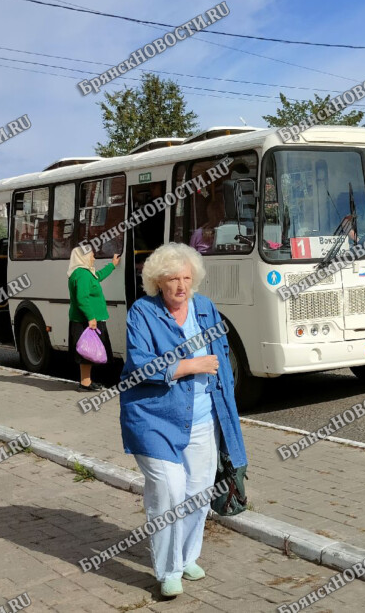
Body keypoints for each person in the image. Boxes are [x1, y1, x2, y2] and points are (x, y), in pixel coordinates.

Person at [120, 243, 248, 600]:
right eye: (173, 279)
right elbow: (140, 366)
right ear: (158, 282)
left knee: (199, 491)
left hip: (204, 416)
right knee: (168, 491)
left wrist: (229, 414)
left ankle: (187, 557)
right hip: (154, 418)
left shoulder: (205, 307)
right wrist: (192, 365)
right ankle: (167, 570)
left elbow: (221, 357)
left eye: (187, 278)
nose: (181, 286)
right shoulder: (142, 313)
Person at [67, 245, 118, 391]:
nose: (94, 258)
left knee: (87, 353)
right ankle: (85, 383)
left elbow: (98, 276)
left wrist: (112, 265)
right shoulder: (82, 274)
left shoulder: (84, 273)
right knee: (87, 352)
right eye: (92, 256)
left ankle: (86, 382)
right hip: (85, 321)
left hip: (86, 319)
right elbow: (82, 298)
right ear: (83, 257)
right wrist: (91, 318)